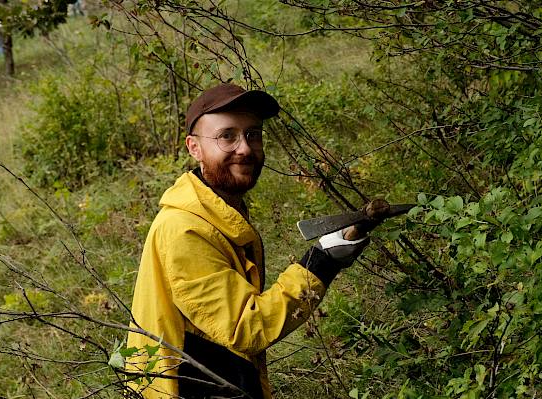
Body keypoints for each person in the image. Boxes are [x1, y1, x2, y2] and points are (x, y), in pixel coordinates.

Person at [126, 83, 370, 398]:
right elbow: (247, 326)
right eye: (226, 136)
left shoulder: (218, 211)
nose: (244, 148)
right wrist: (322, 260)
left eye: (253, 134)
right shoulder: (185, 230)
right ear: (194, 147)